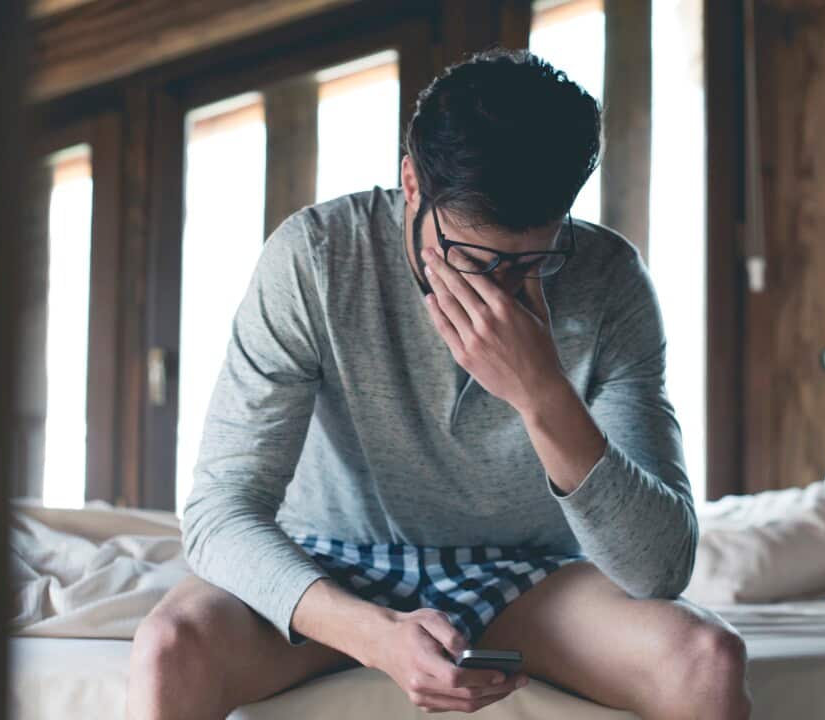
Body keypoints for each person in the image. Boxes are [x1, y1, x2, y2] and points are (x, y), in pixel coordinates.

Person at [127, 48, 750, 720]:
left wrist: (542, 394)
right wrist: (373, 634)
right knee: (169, 647)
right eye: (469, 258)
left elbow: (659, 568)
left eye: (530, 263)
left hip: (527, 576)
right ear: (412, 186)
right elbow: (220, 512)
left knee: (705, 660)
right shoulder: (316, 257)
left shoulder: (609, 279)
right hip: (334, 560)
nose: (497, 291)